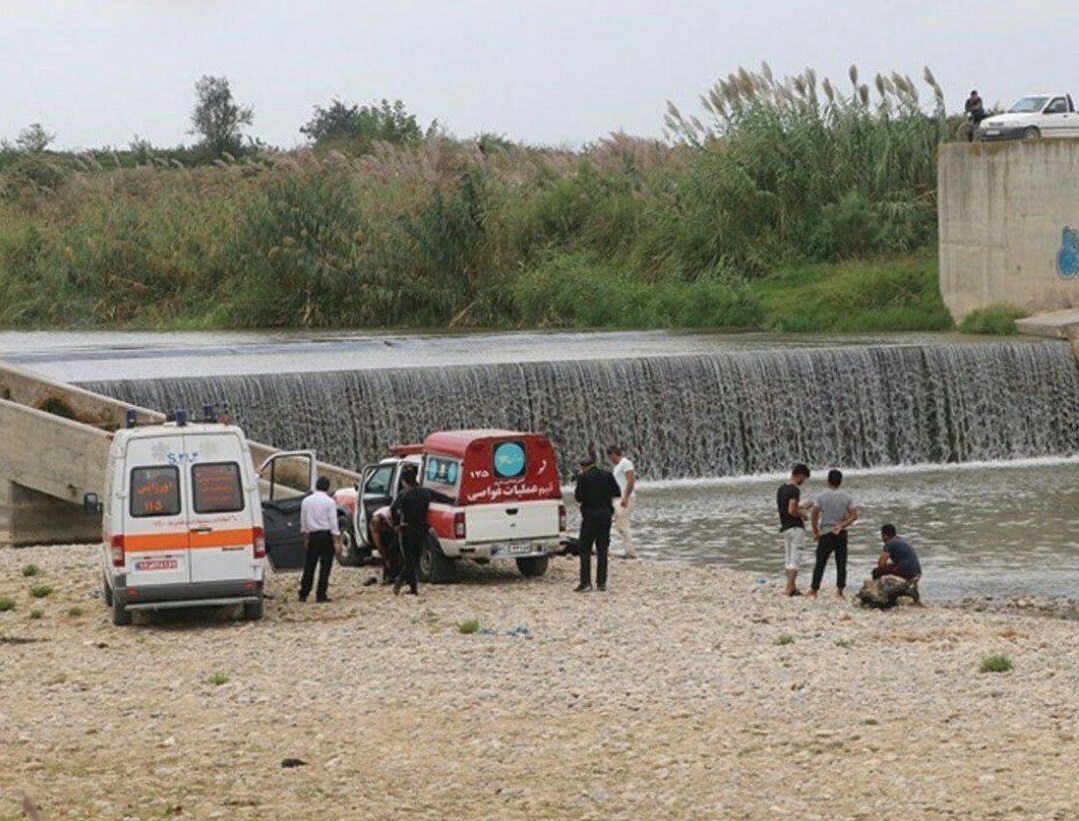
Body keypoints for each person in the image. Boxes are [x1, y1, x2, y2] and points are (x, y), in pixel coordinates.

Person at [573, 454, 622, 592]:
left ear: (584, 467)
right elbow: (617, 492)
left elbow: (578, 497)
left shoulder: (583, 477)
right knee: (602, 549)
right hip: (606, 515)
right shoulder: (607, 475)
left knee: (585, 549)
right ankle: (601, 583)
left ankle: (586, 582)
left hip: (590, 516)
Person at [809, 469, 858, 598]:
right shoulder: (847, 497)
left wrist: (815, 532)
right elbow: (854, 516)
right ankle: (840, 591)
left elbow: (814, 515)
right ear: (840, 482)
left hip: (825, 532)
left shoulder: (821, 496)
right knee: (841, 563)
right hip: (841, 533)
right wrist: (842, 525)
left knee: (820, 562)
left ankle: (814, 590)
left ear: (827, 481)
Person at [390, 466, 433, 596]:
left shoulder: (404, 494)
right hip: (421, 529)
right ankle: (413, 589)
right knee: (415, 558)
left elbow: (393, 509)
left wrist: (396, 524)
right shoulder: (425, 492)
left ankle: (401, 579)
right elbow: (440, 497)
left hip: (407, 529)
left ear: (403, 480)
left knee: (409, 559)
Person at [299, 476, 341, 603]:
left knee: (309, 566)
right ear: (328, 487)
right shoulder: (330, 502)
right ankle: (321, 594)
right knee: (325, 567)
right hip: (326, 536)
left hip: (313, 536)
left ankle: (303, 593)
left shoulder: (306, 501)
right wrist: (336, 541)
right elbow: (333, 523)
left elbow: (303, 522)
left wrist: (305, 538)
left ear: (316, 486)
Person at [777, 463, 813, 597]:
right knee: (795, 559)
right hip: (796, 527)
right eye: (804, 478)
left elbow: (786, 508)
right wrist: (803, 515)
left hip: (785, 527)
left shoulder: (781, 489)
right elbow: (792, 510)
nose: (803, 481)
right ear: (800, 475)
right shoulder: (794, 490)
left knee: (788, 559)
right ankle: (789, 589)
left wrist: (802, 507)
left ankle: (791, 587)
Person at [606, 445, 637, 559]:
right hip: (619, 499)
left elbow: (631, 480)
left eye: (610, 457)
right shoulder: (618, 466)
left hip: (625, 498)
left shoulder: (625, 463)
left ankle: (630, 552)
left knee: (622, 524)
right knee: (620, 524)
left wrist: (625, 498)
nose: (610, 459)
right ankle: (628, 550)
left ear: (614, 454)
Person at [369, 505, 401, 584]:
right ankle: (388, 575)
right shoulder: (374, 523)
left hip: (395, 528)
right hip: (388, 529)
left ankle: (394, 575)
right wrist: (384, 556)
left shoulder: (391, 514)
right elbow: (378, 542)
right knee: (387, 552)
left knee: (393, 551)